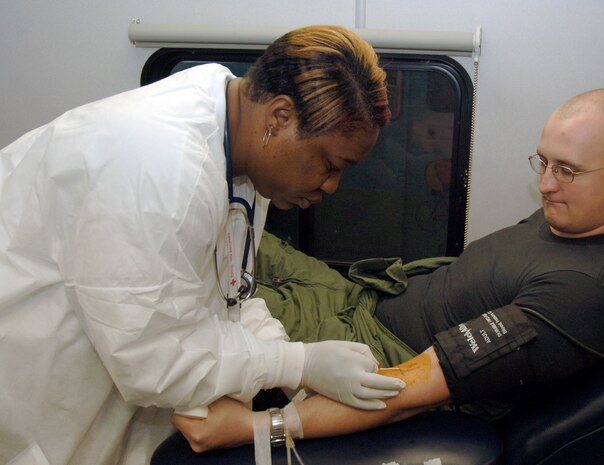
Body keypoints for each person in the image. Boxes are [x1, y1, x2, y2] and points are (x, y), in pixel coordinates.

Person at [0, 25, 407, 465]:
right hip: (32, 369)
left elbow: (231, 288)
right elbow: (152, 360)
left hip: (111, 361)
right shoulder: (157, 167)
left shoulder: (241, 143)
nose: (331, 186)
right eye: (329, 164)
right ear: (281, 117)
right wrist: (296, 363)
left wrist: (299, 376)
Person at [169, 88, 604, 454]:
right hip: (359, 295)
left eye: (566, 170)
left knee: (190, 296)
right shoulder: (567, 218)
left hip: (366, 345)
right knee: (228, 229)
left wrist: (260, 428)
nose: (545, 184)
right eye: (543, 163)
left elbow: (407, 389)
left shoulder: (579, 294)